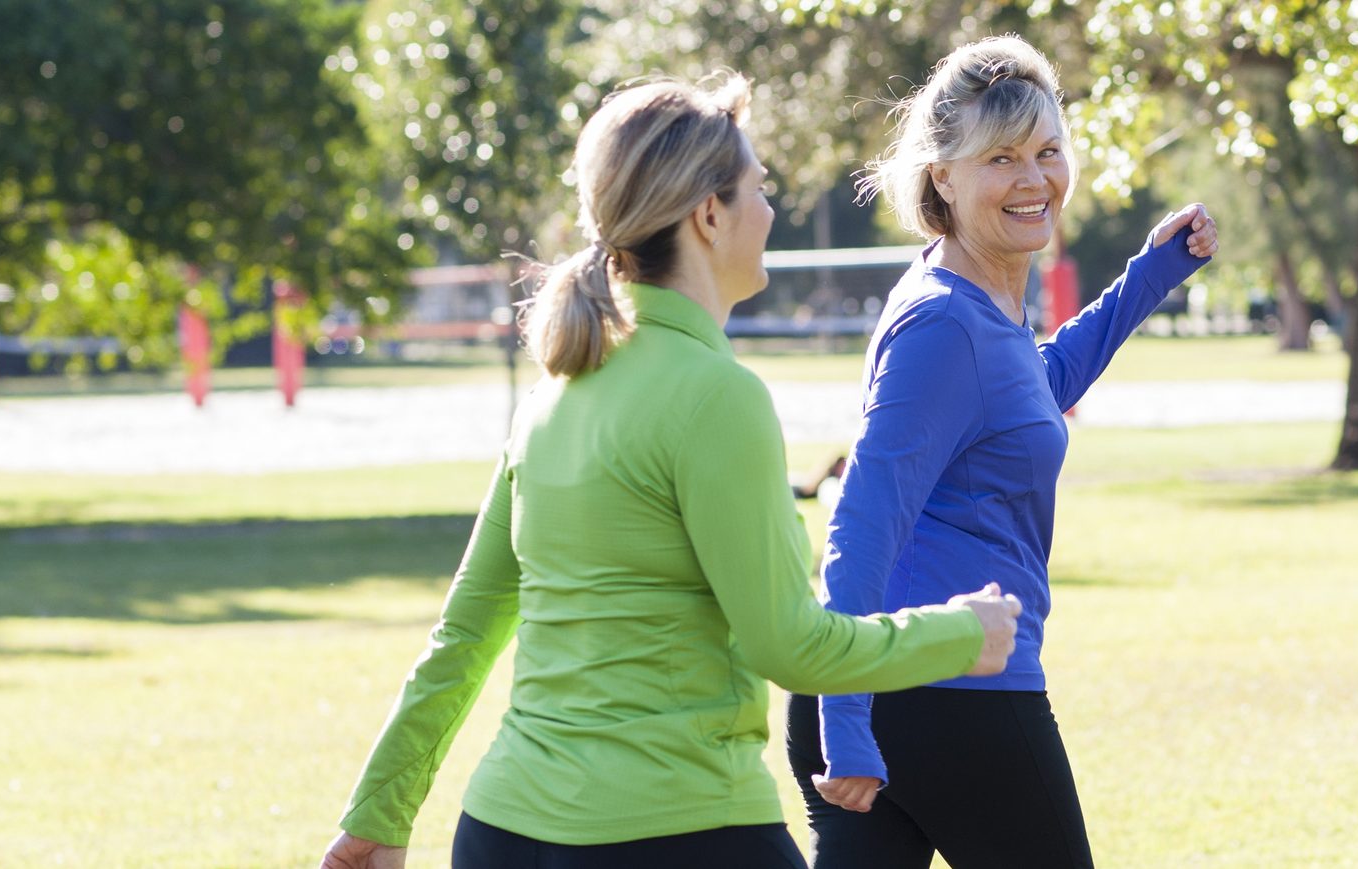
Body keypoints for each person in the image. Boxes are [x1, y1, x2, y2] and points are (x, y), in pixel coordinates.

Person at [318, 74, 1022, 869]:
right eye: (759, 189)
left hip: (502, 832)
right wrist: (961, 632)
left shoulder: (557, 393)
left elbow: (465, 634)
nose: (770, 211)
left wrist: (380, 810)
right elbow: (789, 645)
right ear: (709, 213)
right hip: (674, 830)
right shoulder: (718, 397)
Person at [786, 36, 1219, 869]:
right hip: (941, 685)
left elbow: (1028, 391)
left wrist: (1150, 276)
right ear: (942, 175)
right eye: (1001, 158)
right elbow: (862, 520)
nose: (1033, 179)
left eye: (1047, 151)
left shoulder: (972, 297)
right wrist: (847, 723)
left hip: (897, 687)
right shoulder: (945, 324)